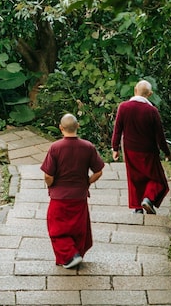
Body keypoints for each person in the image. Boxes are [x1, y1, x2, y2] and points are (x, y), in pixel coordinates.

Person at [40, 113, 105, 269]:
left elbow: (48, 175)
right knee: (78, 227)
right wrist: (86, 183)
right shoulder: (88, 147)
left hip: (59, 197)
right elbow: (98, 171)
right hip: (79, 196)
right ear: (78, 126)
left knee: (56, 229)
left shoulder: (55, 148)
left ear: (61, 128)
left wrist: (52, 184)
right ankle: (75, 253)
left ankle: (70, 255)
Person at [111, 80, 171, 215]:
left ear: (135, 90)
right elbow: (160, 137)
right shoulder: (152, 111)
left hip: (130, 150)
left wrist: (115, 148)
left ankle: (137, 208)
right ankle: (148, 199)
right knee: (158, 179)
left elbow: (117, 129)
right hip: (148, 151)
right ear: (150, 94)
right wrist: (167, 153)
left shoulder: (124, 107)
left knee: (135, 178)